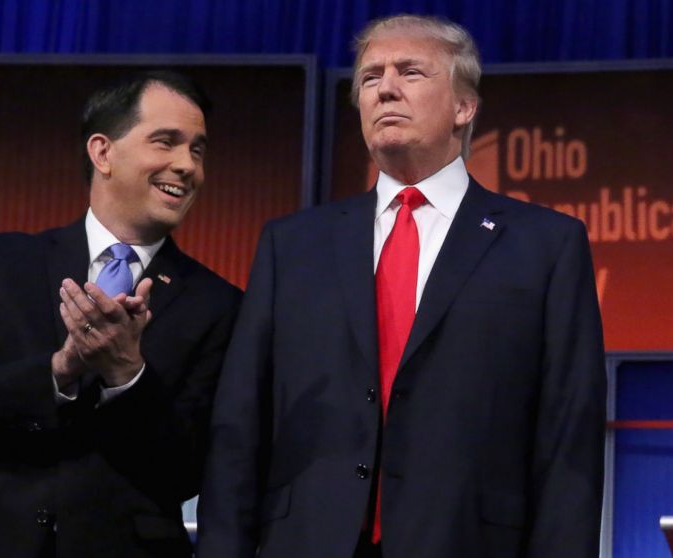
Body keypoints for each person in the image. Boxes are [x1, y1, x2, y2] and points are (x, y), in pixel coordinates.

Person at [197, 14, 606, 558]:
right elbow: (238, 430)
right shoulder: (291, 246)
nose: (385, 88)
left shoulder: (545, 246)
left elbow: (568, 440)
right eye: (369, 78)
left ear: (464, 107)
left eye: (410, 72)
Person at [0, 70, 241, 557]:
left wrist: (127, 376)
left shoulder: (219, 304)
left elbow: (190, 470)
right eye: (165, 142)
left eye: (197, 149)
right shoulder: (3, 263)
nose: (186, 165)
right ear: (103, 152)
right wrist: (58, 371)